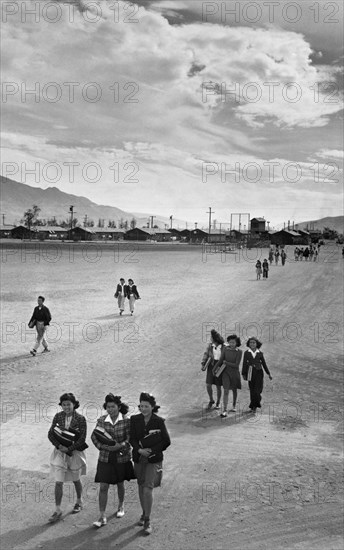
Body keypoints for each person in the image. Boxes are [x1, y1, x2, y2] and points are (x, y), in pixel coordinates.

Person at [130, 392, 171, 535]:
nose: (143, 409)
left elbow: (166, 441)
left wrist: (151, 451)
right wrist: (140, 450)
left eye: (146, 406)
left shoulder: (159, 421)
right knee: (141, 487)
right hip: (139, 457)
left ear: (152, 407)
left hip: (153, 459)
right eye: (141, 406)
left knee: (148, 488)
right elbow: (132, 439)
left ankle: (147, 520)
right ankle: (143, 513)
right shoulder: (134, 419)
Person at [91, 394, 135, 528]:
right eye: (108, 407)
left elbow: (130, 438)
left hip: (121, 458)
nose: (110, 409)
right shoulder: (101, 420)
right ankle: (102, 515)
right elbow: (94, 437)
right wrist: (102, 447)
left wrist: (121, 445)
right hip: (105, 458)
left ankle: (121, 506)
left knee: (120, 483)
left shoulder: (127, 421)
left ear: (119, 407)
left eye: (113, 407)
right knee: (103, 486)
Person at [47, 393, 88, 523]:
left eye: (68, 404)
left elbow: (82, 438)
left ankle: (79, 501)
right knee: (58, 481)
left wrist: (69, 449)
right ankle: (57, 510)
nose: (66, 407)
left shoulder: (81, 419)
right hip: (59, 453)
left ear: (74, 404)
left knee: (76, 479)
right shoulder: (58, 416)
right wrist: (59, 446)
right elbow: (50, 434)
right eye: (64, 404)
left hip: (74, 453)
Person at [215, 335, 242, 417]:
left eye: (233, 342)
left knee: (234, 390)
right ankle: (224, 410)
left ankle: (234, 406)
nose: (231, 344)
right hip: (225, 372)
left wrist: (226, 363)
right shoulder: (225, 349)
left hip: (234, 373)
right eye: (230, 342)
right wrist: (215, 368)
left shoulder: (239, 351)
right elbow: (220, 360)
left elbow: (236, 364)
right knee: (226, 390)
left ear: (237, 343)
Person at [242, 338, 272, 412]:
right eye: (250, 342)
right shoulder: (246, 353)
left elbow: (264, 364)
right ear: (248, 344)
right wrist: (243, 373)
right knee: (252, 390)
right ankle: (253, 406)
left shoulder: (260, 353)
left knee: (257, 390)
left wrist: (268, 373)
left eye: (254, 342)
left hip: (259, 372)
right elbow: (244, 364)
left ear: (257, 344)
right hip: (250, 373)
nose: (252, 344)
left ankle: (256, 402)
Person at [201, 329, 225, 410]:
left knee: (218, 386)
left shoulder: (224, 347)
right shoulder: (210, 346)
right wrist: (203, 363)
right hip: (211, 366)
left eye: (211, 338)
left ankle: (218, 402)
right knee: (208, 385)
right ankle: (211, 400)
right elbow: (206, 354)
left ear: (215, 339)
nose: (210, 339)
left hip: (219, 367)